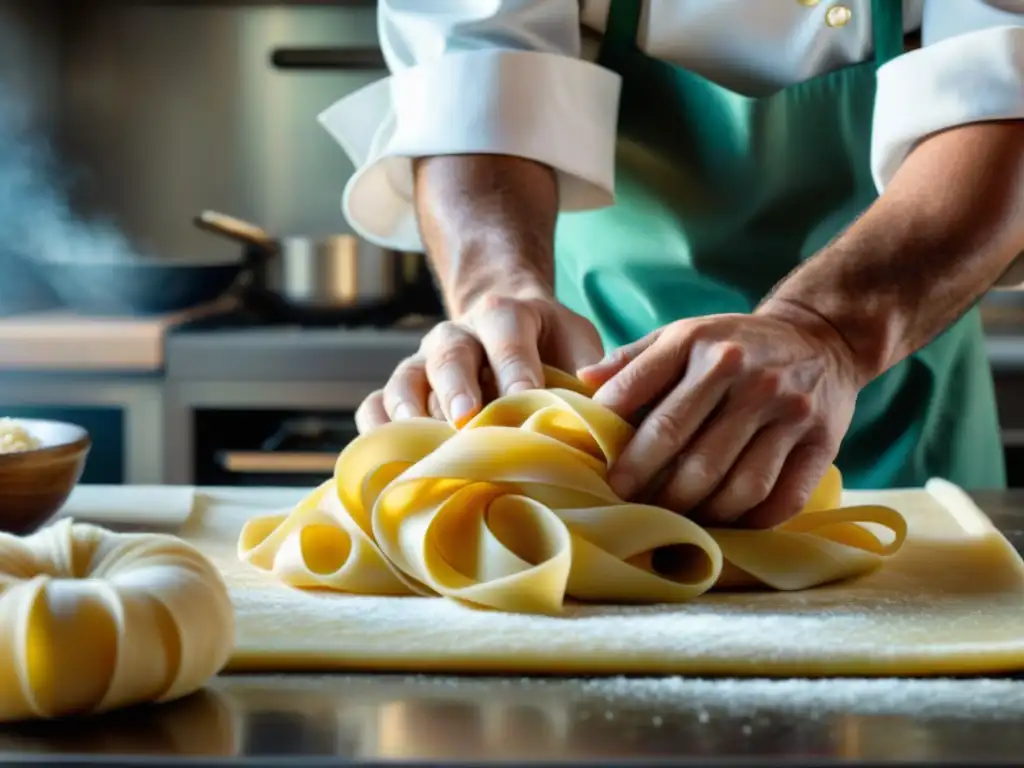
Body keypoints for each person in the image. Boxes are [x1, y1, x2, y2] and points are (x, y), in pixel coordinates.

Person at [319, 0, 1024, 528]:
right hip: (594, 434)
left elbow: (1004, 84)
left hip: (901, 411)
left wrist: (828, 334)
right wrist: (494, 292)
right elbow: (472, 70)